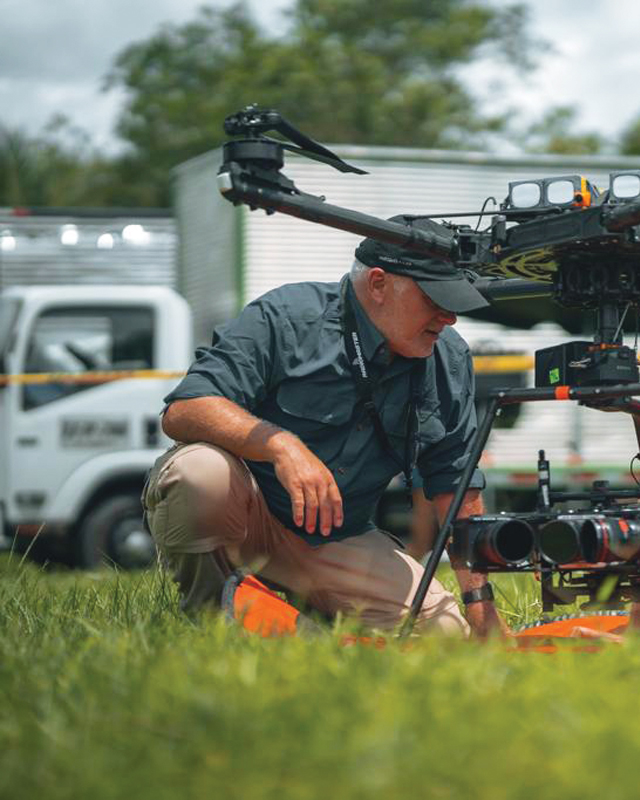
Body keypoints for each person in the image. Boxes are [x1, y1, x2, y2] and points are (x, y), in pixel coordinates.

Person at [141, 217, 504, 637]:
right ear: (379, 284)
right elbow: (184, 410)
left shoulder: (448, 357)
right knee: (198, 474)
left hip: (337, 537)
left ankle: (290, 619)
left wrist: (483, 612)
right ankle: (210, 623)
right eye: (434, 299)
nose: (449, 318)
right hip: (249, 518)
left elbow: (455, 488)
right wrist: (281, 446)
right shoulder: (287, 317)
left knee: (443, 637)